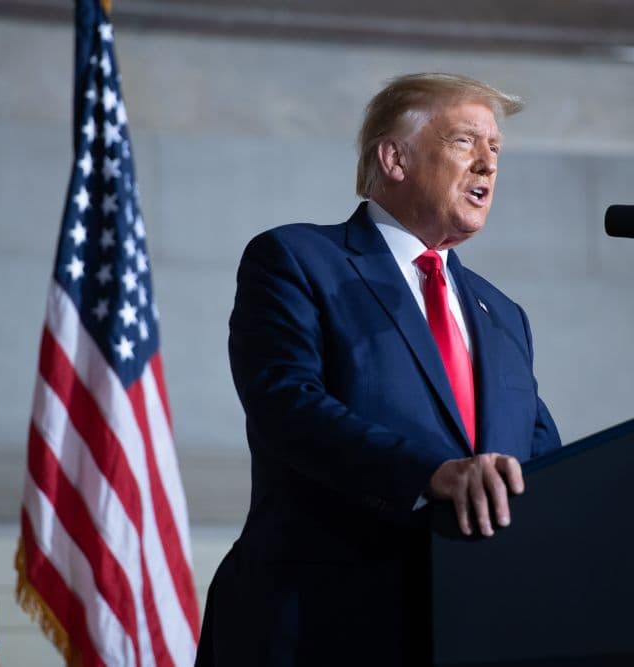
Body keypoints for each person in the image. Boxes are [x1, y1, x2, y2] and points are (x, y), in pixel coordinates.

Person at [195, 73, 561, 667]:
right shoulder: (298, 260)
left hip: (471, 630)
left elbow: (544, 460)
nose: (487, 167)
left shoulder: (504, 317)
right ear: (394, 157)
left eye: (495, 151)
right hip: (320, 626)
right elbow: (285, 403)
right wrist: (429, 475)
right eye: (466, 142)